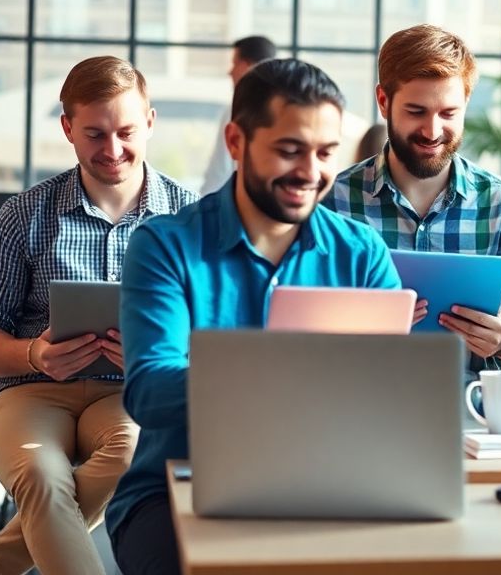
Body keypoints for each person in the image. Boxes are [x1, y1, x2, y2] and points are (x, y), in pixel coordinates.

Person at [105, 59, 400, 574]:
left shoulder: (361, 253)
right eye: (290, 150)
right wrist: (288, 378)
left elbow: (394, 393)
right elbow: (149, 392)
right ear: (236, 143)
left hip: (326, 488)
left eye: (326, 153)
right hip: (177, 489)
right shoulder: (165, 246)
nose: (311, 172)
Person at [0, 57, 195, 575]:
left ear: (151, 123)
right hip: (31, 390)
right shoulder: (25, 213)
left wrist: (159, 350)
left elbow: (212, 331)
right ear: (68, 127)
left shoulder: (187, 216)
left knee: (134, 455)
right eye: (94, 133)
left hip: (132, 392)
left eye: (126, 131)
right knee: (42, 475)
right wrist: (34, 353)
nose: (112, 150)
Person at [327, 24, 501, 371]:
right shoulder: (334, 202)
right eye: (416, 111)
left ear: (466, 103)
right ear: (383, 101)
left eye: (448, 113)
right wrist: (363, 324)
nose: (433, 131)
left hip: (469, 406)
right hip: (363, 398)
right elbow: (307, 322)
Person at [199, 35, 277, 195]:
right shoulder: (285, 110)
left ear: (248, 66)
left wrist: (203, 210)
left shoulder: (236, 109)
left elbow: (219, 171)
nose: (230, 72)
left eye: (235, 64)